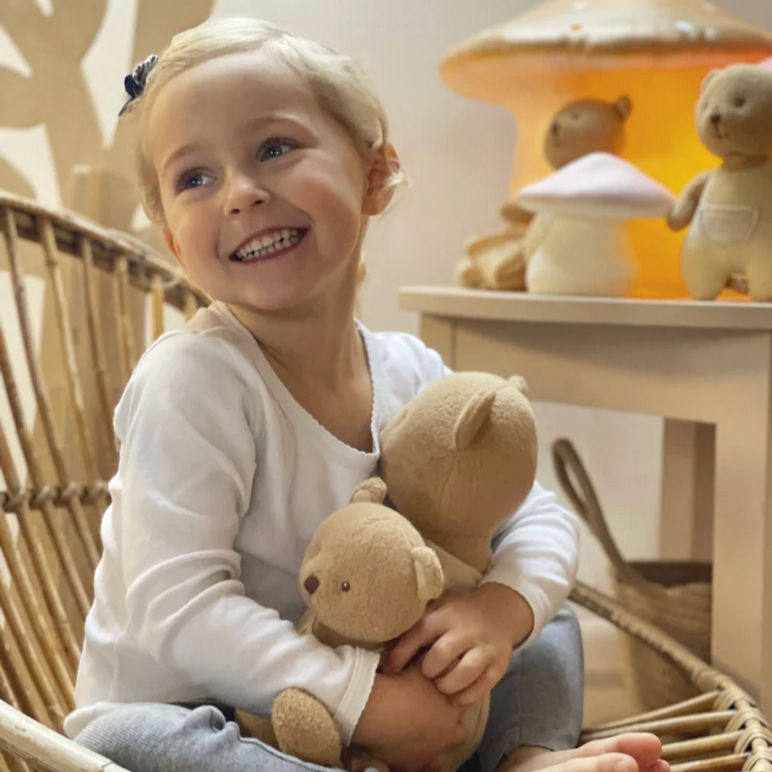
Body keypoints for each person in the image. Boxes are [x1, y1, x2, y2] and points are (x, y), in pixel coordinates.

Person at [65, 16, 668, 772]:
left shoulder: (411, 372)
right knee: (124, 745)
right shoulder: (193, 380)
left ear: (375, 174)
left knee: (540, 610)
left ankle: (526, 757)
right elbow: (182, 613)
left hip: (375, 702)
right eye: (195, 178)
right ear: (177, 245)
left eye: (274, 148)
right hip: (207, 714)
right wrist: (364, 701)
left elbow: (537, 516)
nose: (241, 194)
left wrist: (495, 613)